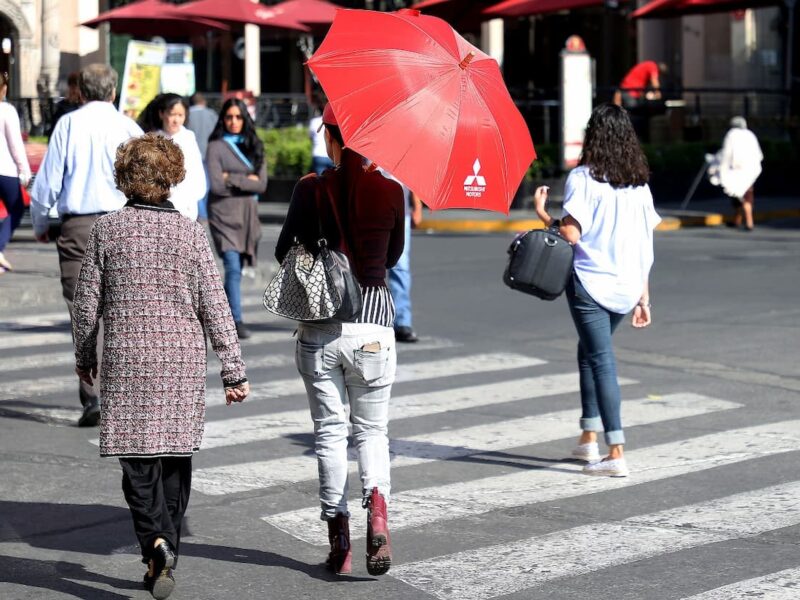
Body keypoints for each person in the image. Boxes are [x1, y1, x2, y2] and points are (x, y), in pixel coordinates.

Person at [72, 133, 249, 600]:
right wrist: (233, 370)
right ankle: (165, 544)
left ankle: (154, 541)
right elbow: (215, 303)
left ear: (125, 178)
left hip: (129, 360)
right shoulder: (190, 232)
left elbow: (86, 306)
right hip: (180, 362)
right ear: (172, 178)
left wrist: (84, 357)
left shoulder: (107, 230)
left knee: (137, 464)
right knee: (174, 457)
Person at [275, 103, 405, 576]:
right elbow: (391, 257)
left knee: (330, 433)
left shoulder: (311, 189)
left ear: (331, 137)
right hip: (373, 327)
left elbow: (281, 250)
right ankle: (379, 516)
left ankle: (340, 540)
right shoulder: (391, 190)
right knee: (372, 432)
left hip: (321, 328)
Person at [533, 103, 660, 478]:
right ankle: (588, 437)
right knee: (589, 350)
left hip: (590, 282)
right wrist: (643, 296)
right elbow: (644, 243)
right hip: (627, 285)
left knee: (601, 358)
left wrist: (544, 215)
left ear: (593, 136)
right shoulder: (639, 185)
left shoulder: (583, 178)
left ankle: (615, 451)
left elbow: (571, 234)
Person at [30, 63, 143, 427]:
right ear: (112, 92)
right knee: (122, 311)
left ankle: (92, 398)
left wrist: (41, 223)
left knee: (83, 313)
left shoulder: (68, 124)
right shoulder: (129, 127)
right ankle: (123, 396)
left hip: (78, 227)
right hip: (123, 223)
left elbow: (47, 182)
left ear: (82, 92)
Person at [206, 98, 268, 340]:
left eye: (238, 117)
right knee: (232, 266)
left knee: (238, 268)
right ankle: (235, 319)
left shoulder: (254, 145)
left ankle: (218, 313)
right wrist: (246, 180)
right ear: (223, 118)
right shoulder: (216, 146)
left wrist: (230, 176)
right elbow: (217, 186)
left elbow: (262, 184)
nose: (233, 122)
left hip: (247, 214)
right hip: (223, 213)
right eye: (229, 117)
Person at [139, 94, 205, 221]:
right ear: (162, 114)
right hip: (158, 206)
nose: (176, 120)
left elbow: (197, 173)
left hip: (185, 208)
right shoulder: (152, 138)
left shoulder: (188, 138)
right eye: (172, 114)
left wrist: (191, 197)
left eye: (180, 115)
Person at [382, 174, 423, 342]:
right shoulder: (366, 149)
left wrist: (418, 207)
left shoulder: (408, 148)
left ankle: (402, 322)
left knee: (400, 267)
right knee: (365, 267)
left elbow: (414, 175)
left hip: (401, 214)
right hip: (369, 212)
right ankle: (364, 319)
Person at [0, 71, 32, 274]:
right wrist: (24, 171)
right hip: (5, 170)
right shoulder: (7, 110)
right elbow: (15, 145)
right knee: (18, 208)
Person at [710, 116, 763, 231]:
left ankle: (749, 222)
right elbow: (758, 154)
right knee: (746, 194)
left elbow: (727, 153)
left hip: (736, 171)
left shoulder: (732, 135)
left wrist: (719, 166)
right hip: (750, 171)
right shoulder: (750, 135)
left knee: (739, 195)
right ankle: (738, 220)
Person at [187, 93, 218, 221]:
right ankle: (205, 212)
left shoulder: (186, 114)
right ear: (203, 102)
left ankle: (201, 212)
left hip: (192, 155)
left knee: (194, 183)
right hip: (210, 153)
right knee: (207, 184)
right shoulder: (211, 114)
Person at [46, 71, 82, 140]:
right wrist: (70, 103)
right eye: (72, 87)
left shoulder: (87, 106)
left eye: (76, 87)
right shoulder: (63, 106)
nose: (74, 91)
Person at [309, 94, 334, 175]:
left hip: (318, 154)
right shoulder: (333, 122)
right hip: (331, 154)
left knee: (321, 182)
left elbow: (311, 138)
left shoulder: (314, 122)